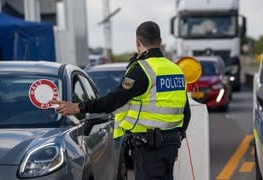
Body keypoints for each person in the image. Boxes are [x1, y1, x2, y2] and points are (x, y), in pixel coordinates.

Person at [51, 21, 191, 180]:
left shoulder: (141, 70)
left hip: (149, 147)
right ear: (160, 41)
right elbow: (186, 111)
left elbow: (114, 100)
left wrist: (79, 107)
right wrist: (177, 138)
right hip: (170, 144)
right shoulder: (176, 69)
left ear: (138, 42)